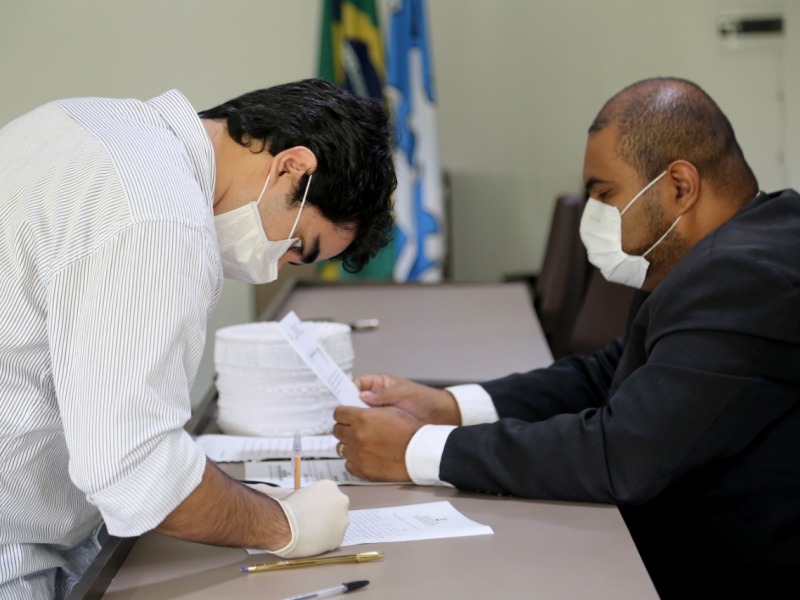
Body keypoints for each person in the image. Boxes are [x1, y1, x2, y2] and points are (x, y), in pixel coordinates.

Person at [332, 77, 800, 597]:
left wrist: (421, 450)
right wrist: (448, 406)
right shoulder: (713, 253)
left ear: (679, 187)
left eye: (605, 192)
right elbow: (611, 374)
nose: (594, 212)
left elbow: (624, 455)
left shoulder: (744, 275)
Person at [0, 78, 396, 599]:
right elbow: (132, 469)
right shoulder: (159, 216)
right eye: (296, 245)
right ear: (292, 167)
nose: (275, 270)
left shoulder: (81, 120)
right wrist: (283, 524)